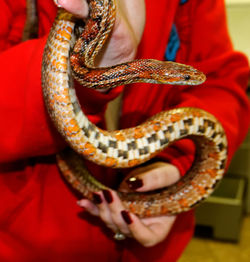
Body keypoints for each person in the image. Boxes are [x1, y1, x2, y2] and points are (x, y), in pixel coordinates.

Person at [0, 0, 249, 261]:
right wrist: (88, 78)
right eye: (184, 76)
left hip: (147, 250)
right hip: (29, 246)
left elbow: (218, 81)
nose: (190, 77)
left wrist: (179, 161)